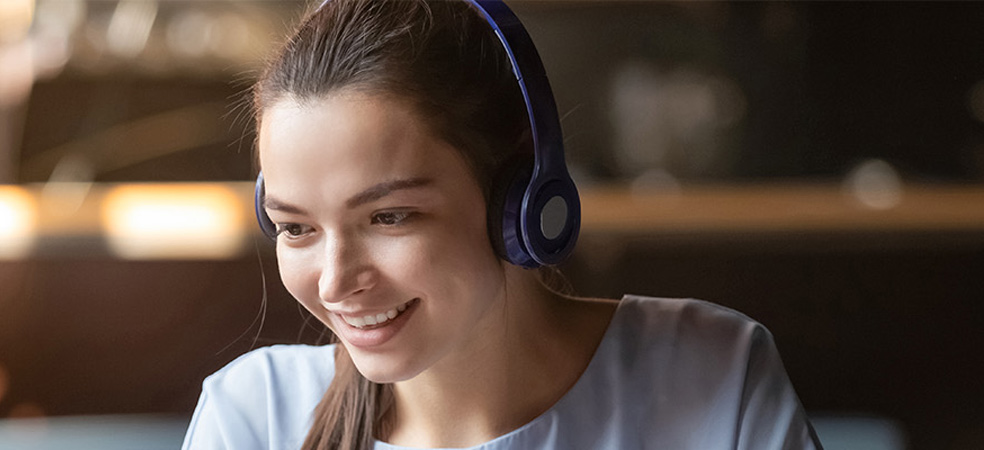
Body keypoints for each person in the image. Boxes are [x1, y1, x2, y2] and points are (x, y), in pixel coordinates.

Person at [182, 0, 822, 449]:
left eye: (389, 216)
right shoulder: (253, 417)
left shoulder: (712, 374)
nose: (334, 283)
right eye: (296, 229)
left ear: (519, 201)